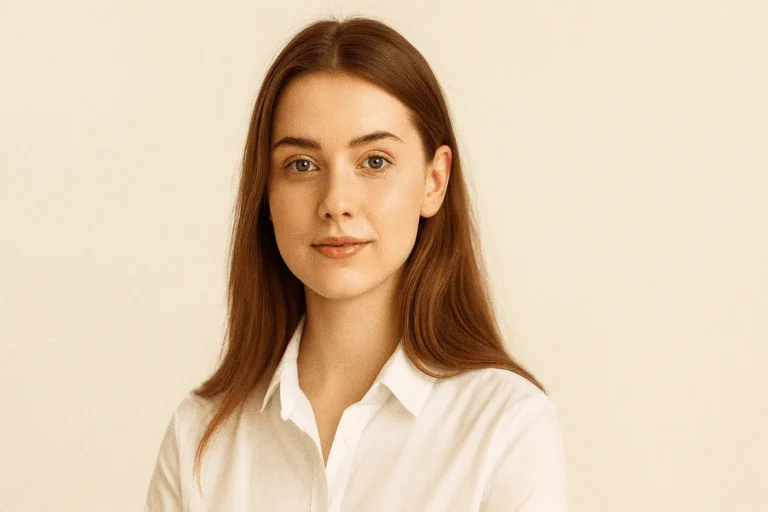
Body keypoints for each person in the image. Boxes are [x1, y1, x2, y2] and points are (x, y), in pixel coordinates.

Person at [144, 15, 568, 512]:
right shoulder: (200, 438)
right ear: (266, 191)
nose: (336, 202)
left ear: (434, 181)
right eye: (302, 165)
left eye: (374, 161)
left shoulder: (505, 426)